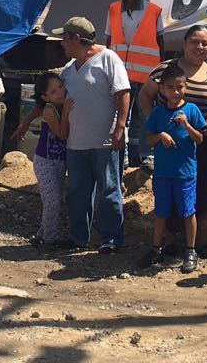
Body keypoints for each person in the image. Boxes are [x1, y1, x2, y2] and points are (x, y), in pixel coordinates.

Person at [138, 25, 207, 257]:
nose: (199, 47)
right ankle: (170, 237)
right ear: (184, 44)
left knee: (206, 186)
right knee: (171, 186)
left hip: (205, 139)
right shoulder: (166, 69)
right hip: (171, 144)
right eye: (194, 42)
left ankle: (203, 237)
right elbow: (144, 95)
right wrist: (156, 121)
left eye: (205, 43)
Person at [52, 16, 130, 253]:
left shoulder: (108, 59)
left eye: (64, 39)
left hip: (105, 141)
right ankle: (78, 237)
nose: (61, 44)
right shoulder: (68, 69)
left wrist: (120, 127)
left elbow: (124, 93)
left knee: (109, 190)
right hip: (76, 143)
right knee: (77, 191)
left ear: (77, 39)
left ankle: (111, 238)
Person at [137, 64, 207, 274]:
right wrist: (160, 137)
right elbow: (149, 140)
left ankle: (191, 250)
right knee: (161, 212)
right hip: (162, 172)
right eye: (170, 88)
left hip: (185, 172)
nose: (175, 92)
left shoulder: (192, 110)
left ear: (186, 87)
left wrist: (187, 126)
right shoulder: (158, 113)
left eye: (179, 87)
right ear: (162, 89)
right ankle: (156, 248)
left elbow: (200, 138)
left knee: (188, 211)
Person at [105, 0, 164, 168]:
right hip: (120, 74)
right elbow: (108, 40)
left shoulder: (153, 11)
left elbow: (160, 41)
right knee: (122, 116)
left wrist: (159, 74)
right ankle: (124, 156)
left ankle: (149, 156)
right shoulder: (113, 9)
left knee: (148, 114)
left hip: (147, 75)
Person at [29, 72, 70, 247]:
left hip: (60, 161)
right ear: (45, 97)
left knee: (54, 200)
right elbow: (61, 134)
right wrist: (68, 111)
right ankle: (49, 239)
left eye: (60, 87)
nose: (60, 93)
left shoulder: (59, 106)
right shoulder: (50, 110)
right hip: (45, 161)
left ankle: (42, 234)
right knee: (52, 200)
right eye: (54, 91)